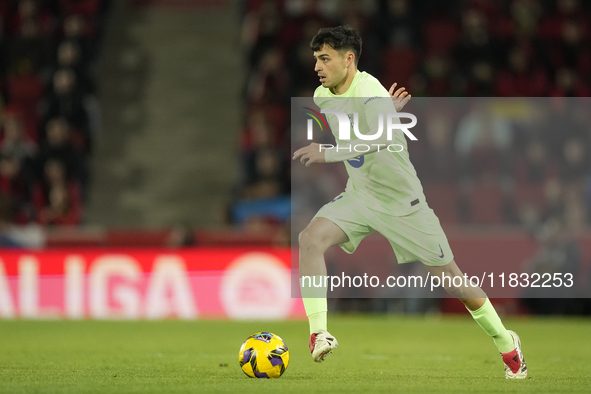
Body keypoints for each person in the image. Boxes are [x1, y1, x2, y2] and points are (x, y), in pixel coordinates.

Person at [292, 26, 527, 379]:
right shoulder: (324, 95)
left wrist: (333, 149)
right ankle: (318, 333)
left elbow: (377, 141)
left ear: (349, 59)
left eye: (325, 59)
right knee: (310, 239)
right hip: (361, 196)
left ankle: (508, 345)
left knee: (455, 283)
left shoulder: (370, 91)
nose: (318, 67)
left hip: (404, 204)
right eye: (316, 60)